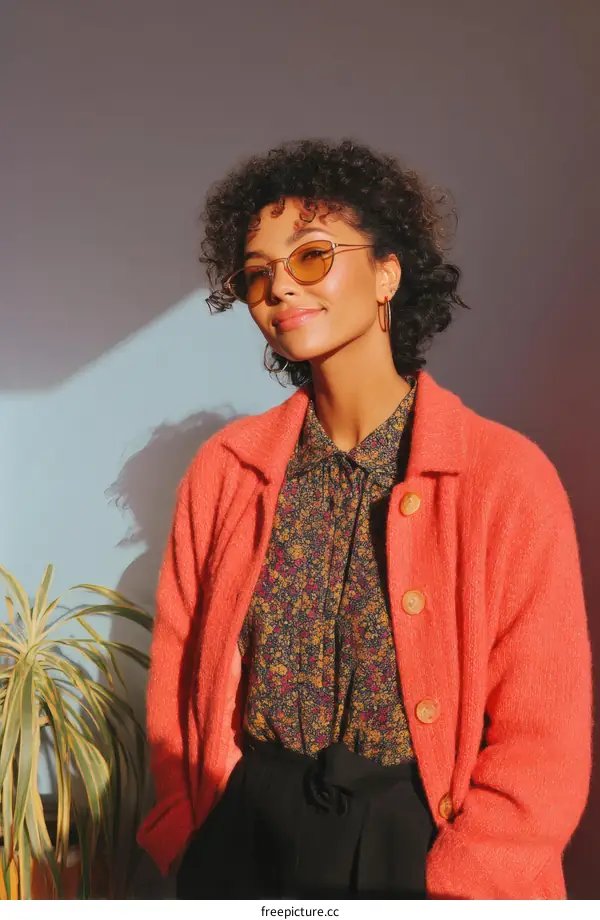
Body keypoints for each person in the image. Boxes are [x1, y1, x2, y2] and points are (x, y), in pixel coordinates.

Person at [136, 138, 592, 899]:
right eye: (257, 274)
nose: (279, 286)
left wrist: (462, 888)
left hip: (425, 851)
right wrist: (185, 835)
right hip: (245, 839)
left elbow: (543, 740)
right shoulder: (225, 470)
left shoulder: (505, 478)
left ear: (387, 273)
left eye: (311, 257)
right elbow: (176, 675)